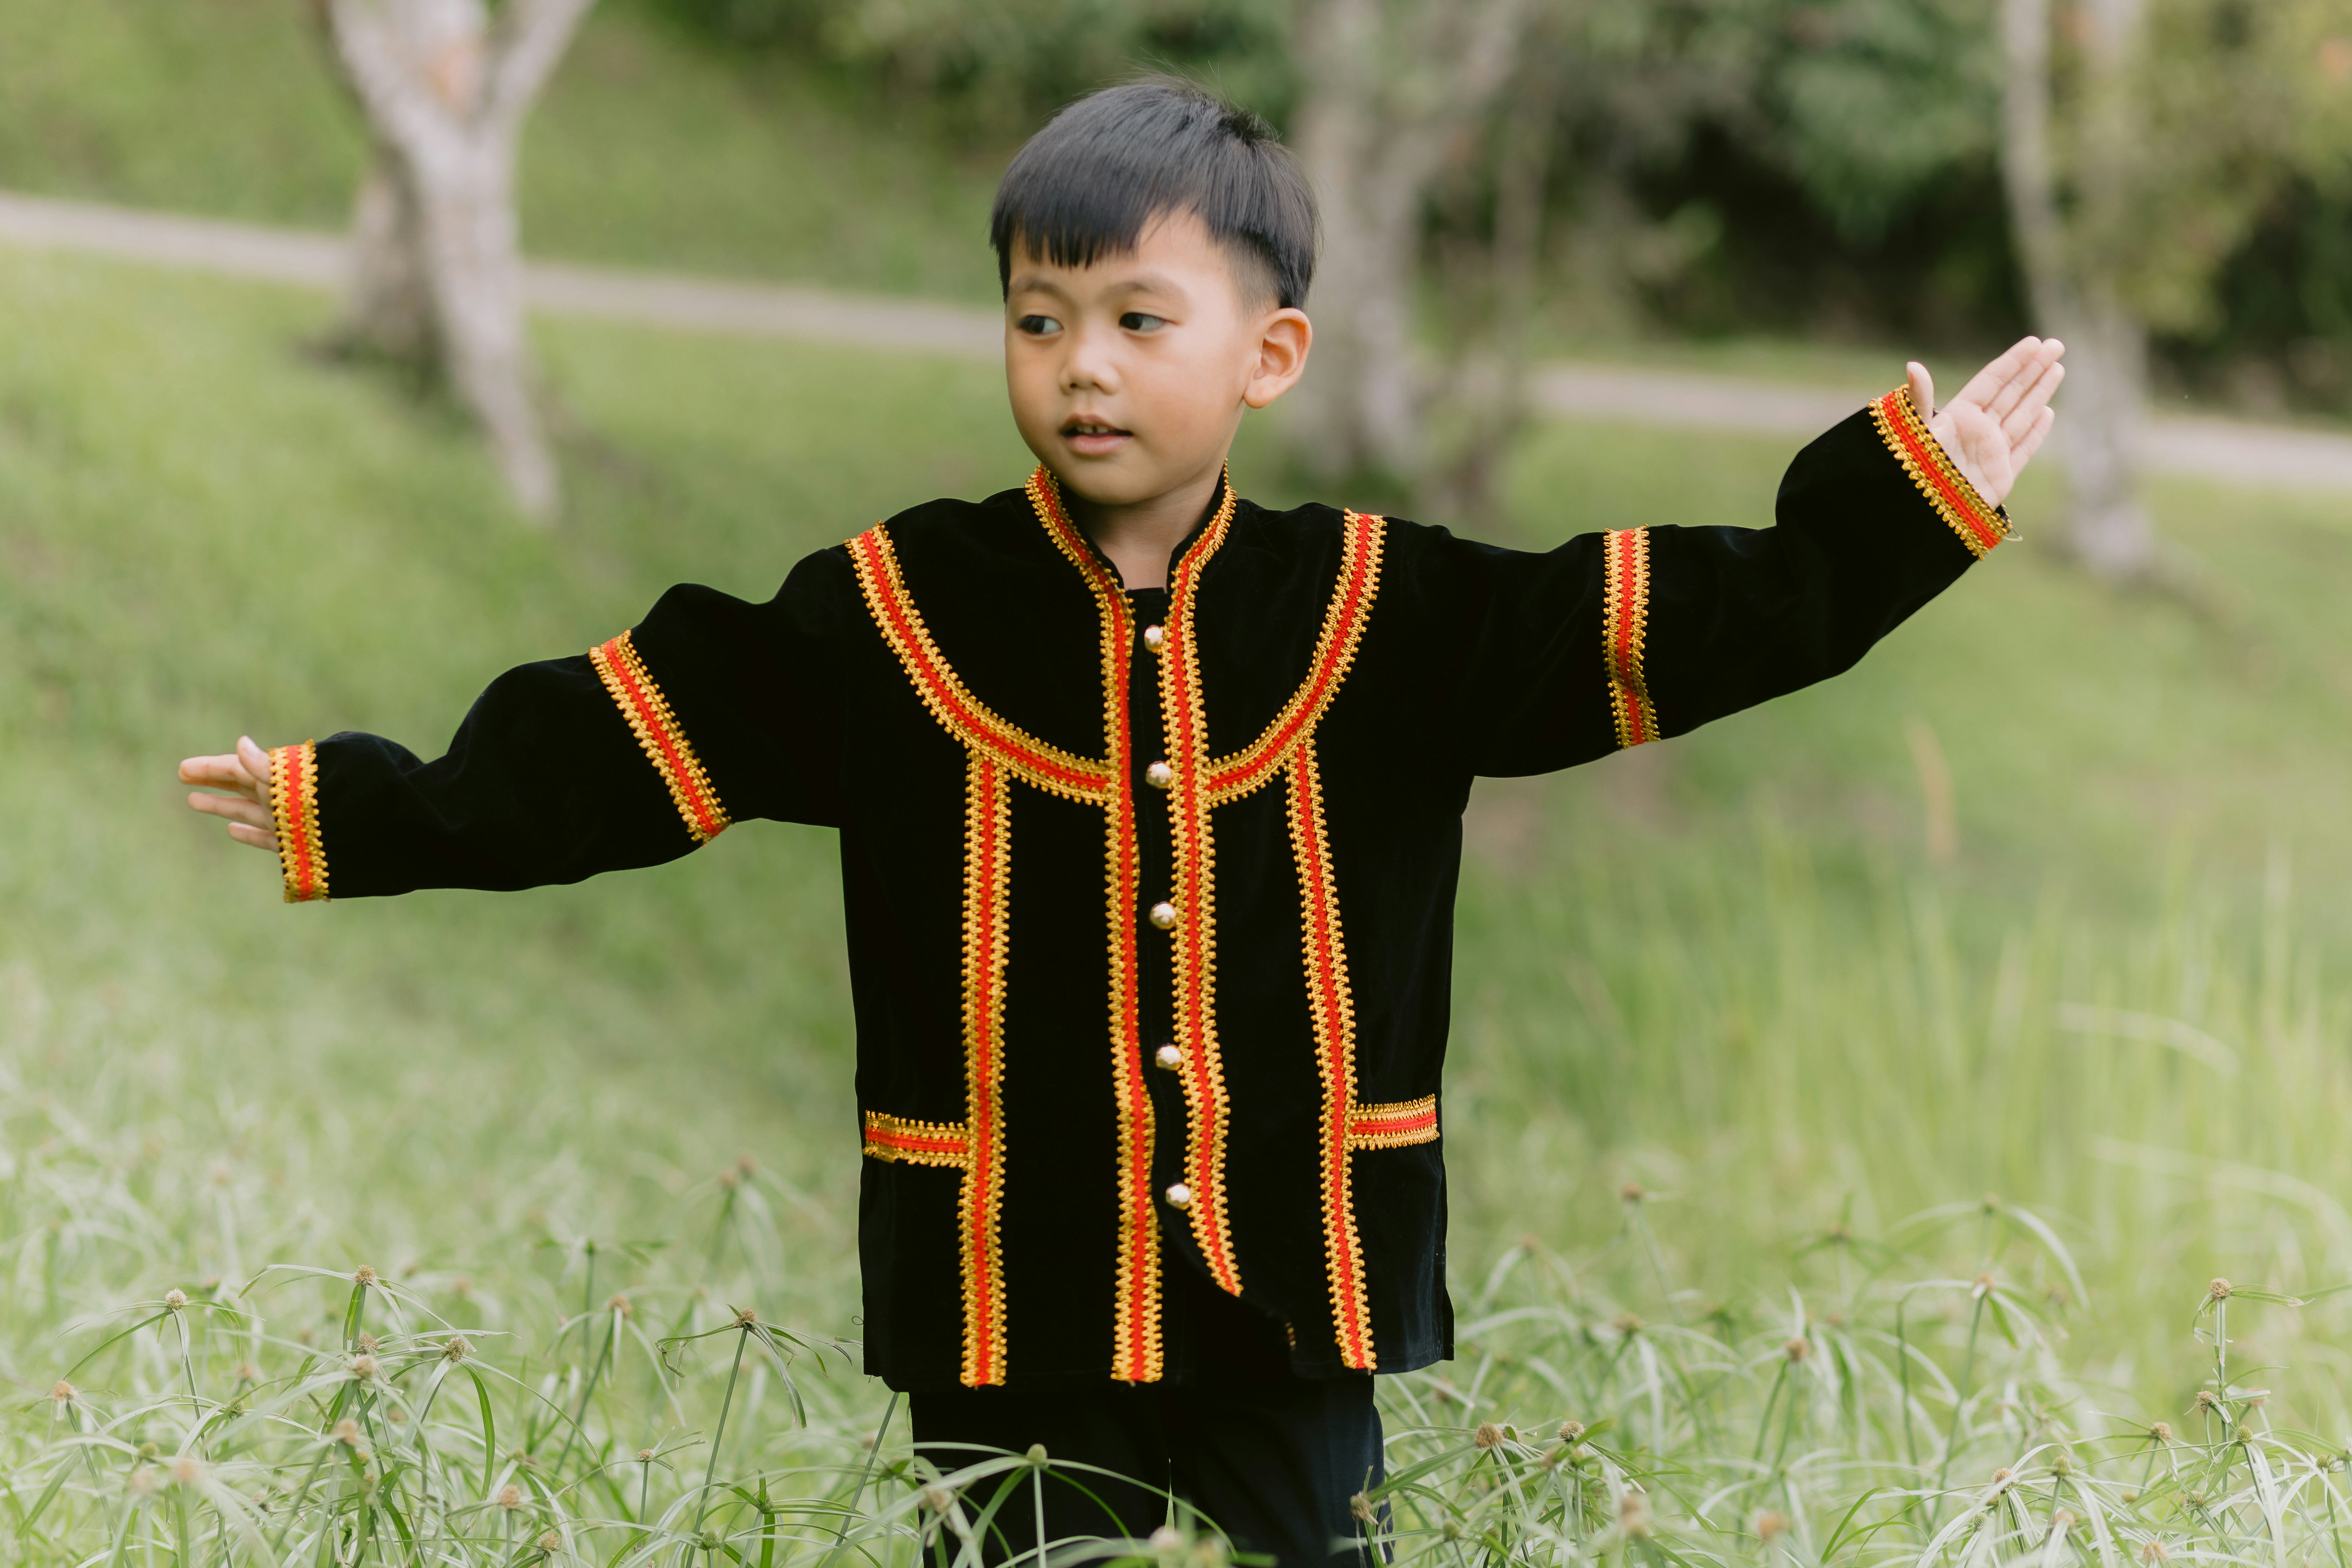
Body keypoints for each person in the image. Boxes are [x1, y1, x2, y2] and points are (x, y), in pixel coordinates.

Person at [181, 77, 2063, 1567]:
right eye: (1039, 316)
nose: (1081, 364)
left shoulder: (1392, 614)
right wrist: (367, 806)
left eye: (1137, 318)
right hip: (1003, 1309)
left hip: (1293, 1303)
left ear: (1271, 354)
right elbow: (631, 737)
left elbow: (1673, 625)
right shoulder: (894, 616)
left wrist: (1896, 511)